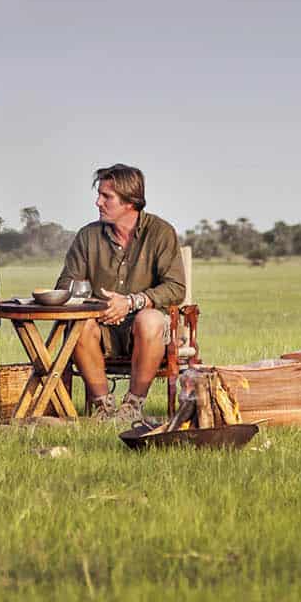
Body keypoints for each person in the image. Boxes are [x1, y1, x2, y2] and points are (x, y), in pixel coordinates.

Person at [57, 163, 186, 423]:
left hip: (146, 328)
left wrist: (131, 302)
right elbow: (65, 286)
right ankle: (104, 409)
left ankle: (132, 407)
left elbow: (176, 288)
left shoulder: (161, 233)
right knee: (80, 325)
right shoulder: (87, 236)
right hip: (101, 326)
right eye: (100, 195)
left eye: (107, 196)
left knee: (149, 319)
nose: (98, 202)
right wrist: (99, 307)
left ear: (130, 201)